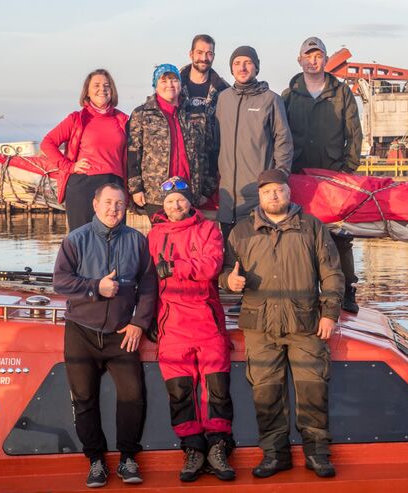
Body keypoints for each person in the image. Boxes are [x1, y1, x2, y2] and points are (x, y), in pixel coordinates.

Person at [219, 169, 344, 479]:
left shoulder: (312, 227)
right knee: (266, 392)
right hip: (260, 325)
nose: (273, 196)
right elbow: (223, 271)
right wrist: (229, 281)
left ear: (289, 193)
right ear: (259, 197)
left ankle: (317, 453)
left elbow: (332, 273)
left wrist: (329, 313)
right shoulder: (242, 232)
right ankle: (275, 455)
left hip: (306, 322)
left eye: (278, 190)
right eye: (267, 192)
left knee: (313, 388)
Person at [53, 183, 157, 488]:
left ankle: (127, 458)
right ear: (96, 205)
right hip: (81, 332)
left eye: (120, 204)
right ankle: (96, 461)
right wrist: (94, 286)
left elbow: (149, 286)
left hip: (122, 334)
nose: (114, 209)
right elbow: (60, 282)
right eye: (108, 202)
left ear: (126, 208)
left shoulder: (137, 241)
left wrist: (139, 322)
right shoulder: (76, 239)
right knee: (84, 399)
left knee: (133, 396)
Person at [147, 176, 235, 483]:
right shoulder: (154, 234)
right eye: (170, 201)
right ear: (164, 205)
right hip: (171, 325)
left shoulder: (209, 229)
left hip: (207, 321)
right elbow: (148, 279)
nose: (176, 205)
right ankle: (193, 449)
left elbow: (211, 265)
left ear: (190, 202)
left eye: (181, 200)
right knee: (180, 392)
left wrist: (174, 267)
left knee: (218, 390)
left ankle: (218, 447)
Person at [282, 36, 364, 313]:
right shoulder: (289, 95)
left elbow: (354, 134)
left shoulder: (342, 93)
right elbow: (279, 134)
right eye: (309, 56)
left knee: (340, 235)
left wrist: (347, 169)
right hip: (299, 174)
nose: (313, 61)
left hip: (332, 174)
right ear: (300, 60)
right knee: (302, 234)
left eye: (318, 56)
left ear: (326, 60)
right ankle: (306, 290)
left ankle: (347, 291)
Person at [215, 46, 293, 241]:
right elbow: (215, 141)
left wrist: (280, 176)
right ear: (231, 69)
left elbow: (283, 140)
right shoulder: (223, 99)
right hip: (228, 198)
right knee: (230, 258)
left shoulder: (271, 100)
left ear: (256, 68)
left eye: (248, 63)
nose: (242, 67)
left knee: (259, 256)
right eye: (237, 63)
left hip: (258, 196)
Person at [41, 69, 128, 231]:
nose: (102, 89)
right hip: (83, 186)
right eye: (96, 85)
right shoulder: (77, 119)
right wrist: (69, 166)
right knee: (82, 242)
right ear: (87, 91)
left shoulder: (123, 120)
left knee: (116, 243)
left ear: (112, 91)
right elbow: (47, 143)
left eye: (106, 85)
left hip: (114, 185)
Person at [127, 64, 216, 219]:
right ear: (155, 85)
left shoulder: (196, 113)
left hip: (189, 193)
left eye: (174, 80)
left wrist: (207, 189)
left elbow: (209, 151)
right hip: (156, 194)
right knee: (163, 240)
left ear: (180, 84)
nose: (170, 85)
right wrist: (136, 189)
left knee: (188, 239)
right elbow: (134, 152)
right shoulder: (142, 114)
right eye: (164, 81)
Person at [179, 34, 229, 183]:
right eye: (200, 52)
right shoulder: (174, 87)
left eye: (209, 53)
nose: (204, 57)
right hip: (181, 167)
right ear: (191, 54)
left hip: (212, 170)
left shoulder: (224, 90)